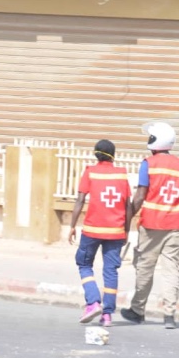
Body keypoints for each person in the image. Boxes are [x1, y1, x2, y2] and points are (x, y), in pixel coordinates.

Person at [120, 122, 179, 329]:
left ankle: (137, 310)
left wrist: (128, 217)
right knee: (171, 270)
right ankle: (169, 315)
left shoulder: (148, 164)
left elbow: (140, 195)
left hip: (152, 223)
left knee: (145, 267)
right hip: (175, 223)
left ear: (154, 141)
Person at [69, 139, 132, 327]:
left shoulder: (90, 172)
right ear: (114, 155)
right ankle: (107, 315)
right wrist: (127, 229)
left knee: (84, 263)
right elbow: (128, 205)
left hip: (92, 229)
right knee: (111, 270)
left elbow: (80, 200)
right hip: (115, 231)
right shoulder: (121, 175)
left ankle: (93, 302)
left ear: (96, 154)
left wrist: (72, 225)